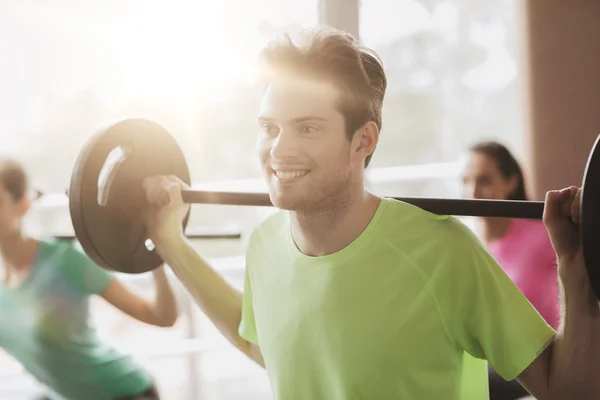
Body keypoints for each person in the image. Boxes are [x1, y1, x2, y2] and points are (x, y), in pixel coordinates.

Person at [143, 27, 600, 399]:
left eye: (307, 128)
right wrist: (170, 243)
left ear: (363, 140)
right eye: (269, 127)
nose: (278, 149)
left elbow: (565, 390)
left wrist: (576, 273)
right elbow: (258, 343)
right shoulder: (264, 245)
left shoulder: (440, 251)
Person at [0, 157, 179, 400]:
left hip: (125, 393)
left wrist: (157, 249)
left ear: (23, 205)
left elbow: (162, 317)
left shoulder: (65, 261)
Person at [461, 141, 561, 399]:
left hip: (540, 359)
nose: (472, 191)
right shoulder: (467, 245)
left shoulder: (542, 236)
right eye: (466, 180)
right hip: (495, 358)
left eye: (484, 180)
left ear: (510, 182)